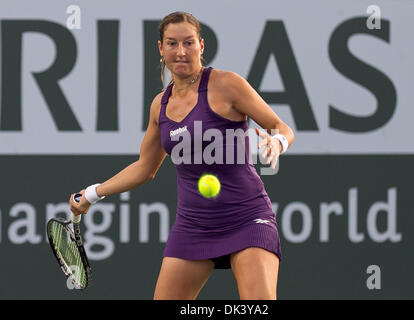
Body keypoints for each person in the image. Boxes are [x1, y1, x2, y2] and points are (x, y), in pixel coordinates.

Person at [69, 11, 295, 300]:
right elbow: (144, 168)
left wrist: (277, 142)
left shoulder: (228, 85)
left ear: (201, 46)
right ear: (161, 49)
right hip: (193, 224)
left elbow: (281, 127)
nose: (181, 51)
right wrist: (91, 194)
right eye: (172, 43)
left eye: (188, 43)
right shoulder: (159, 106)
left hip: (247, 218)